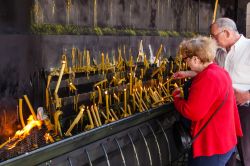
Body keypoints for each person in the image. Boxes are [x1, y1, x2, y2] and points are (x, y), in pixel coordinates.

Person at [172, 36, 242, 166]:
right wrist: (188, 73)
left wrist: (177, 99)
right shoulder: (219, 71)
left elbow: (192, 112)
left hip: (211, 146)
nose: (185, 62)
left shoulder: (207, 79)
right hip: (225, 140)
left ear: (195, 59)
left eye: (185, 59)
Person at [210, 17, 250, 166]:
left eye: (214, 36)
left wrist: (247, 95)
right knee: (227, 151)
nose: (213, 40)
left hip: (245, 109)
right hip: (225, 108)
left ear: (226, 32)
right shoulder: (221, 52)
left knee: (246, 152)